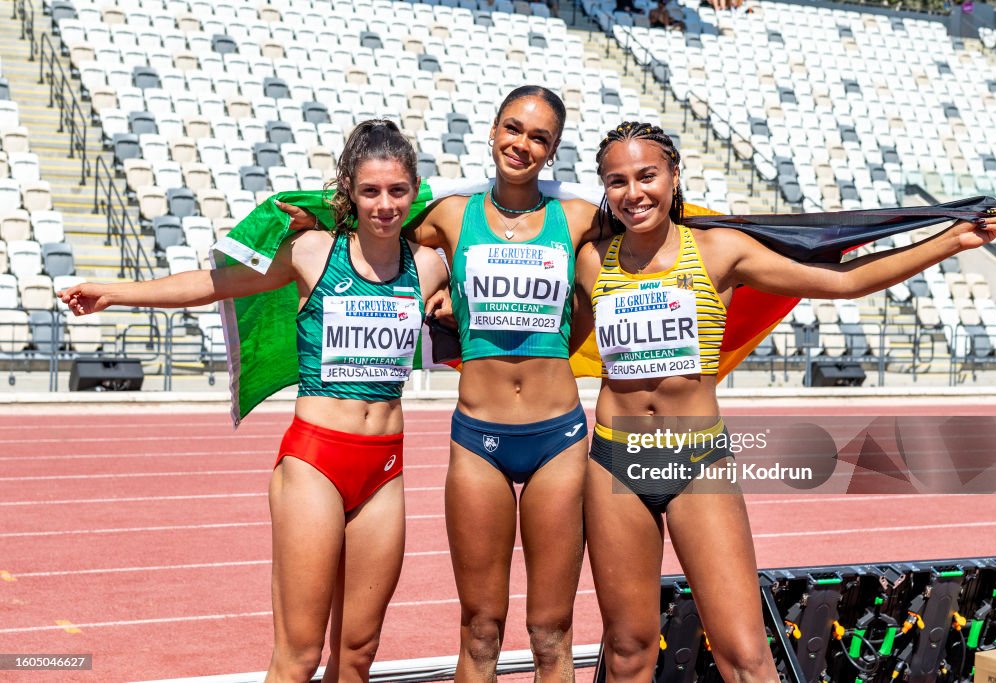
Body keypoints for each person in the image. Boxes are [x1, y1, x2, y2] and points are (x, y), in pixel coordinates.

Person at [572, 121, 996, 680]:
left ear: (674, 176)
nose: (634, 192)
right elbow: (540, 327)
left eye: (647, 175)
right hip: (617, 460)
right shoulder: (591, 262)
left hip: (694, 459)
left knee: (745, 654)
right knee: (629, 651)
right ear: (603, 189)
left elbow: (844, 280)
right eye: (617, 181)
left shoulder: (720, 250)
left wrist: (951, 240)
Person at [60, 120, 451, 683]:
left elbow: (488, 213)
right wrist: (115, 293)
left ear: (415, 192)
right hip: (317, 461)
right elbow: (212, 284)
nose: (385, 205)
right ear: (348, 192)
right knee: (298, 656)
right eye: (369, 191)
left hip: (386, 467)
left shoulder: (431, 262)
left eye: (397, 191)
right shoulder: (312, 251)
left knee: (359, 653)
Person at [279, 86, 602, 680]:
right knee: (480, 631)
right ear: (493, 130)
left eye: (539, 137)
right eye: (513, 128)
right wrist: (322, 219)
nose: (522, 144)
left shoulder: (578, 217)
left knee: (551, 632)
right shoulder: (451, 215)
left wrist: (559, 336)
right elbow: (379, 225)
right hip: (478, 436)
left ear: (553, 150)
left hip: (559, 434)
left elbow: (623, 264)